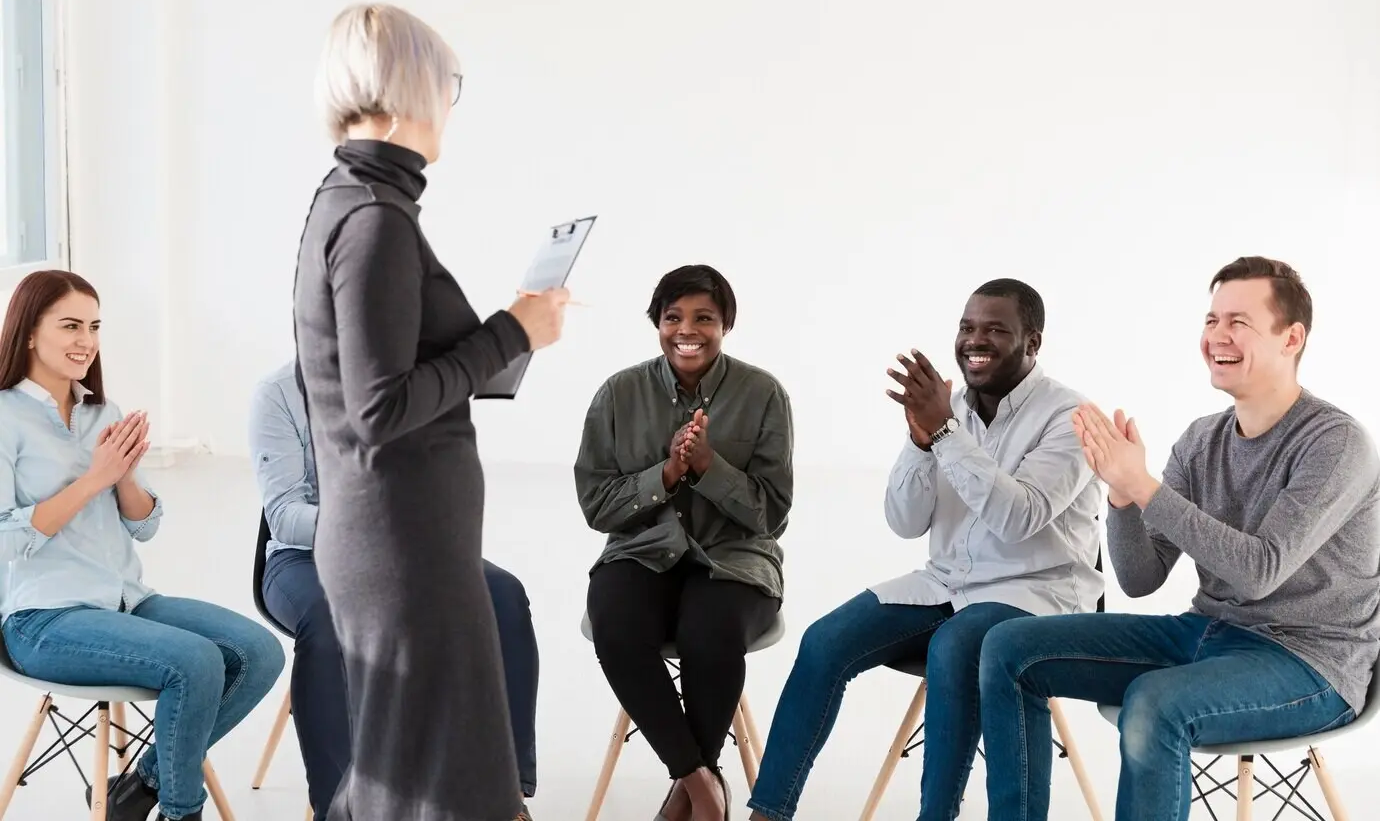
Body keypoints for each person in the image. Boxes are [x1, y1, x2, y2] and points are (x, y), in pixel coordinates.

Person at [291, 2, 569, 821]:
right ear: (413, 86)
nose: (451, 103)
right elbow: (379, 408)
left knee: (410, 774)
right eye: (451, 84)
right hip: (401, 547)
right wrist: (513, 332)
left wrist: (501, 337)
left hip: (401, 539)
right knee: (441, 784)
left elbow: (390, 378)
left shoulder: (355, 201)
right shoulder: (374, 220)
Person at [980, 256, 1380, 821]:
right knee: (1008, 646)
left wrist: (1144, 486)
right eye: (1212, 320)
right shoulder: (1201, 440)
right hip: (1207, 633)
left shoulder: (1336, 444)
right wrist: (1122, 496)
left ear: (1291, 339)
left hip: (1310, 662)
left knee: (1155, 703)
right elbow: (1141, 578)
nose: (1217, 335)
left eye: (1238, 322)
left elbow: (1260, 571)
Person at [744, 278, 1103, 821]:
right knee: (824, 642)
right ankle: (768, 813)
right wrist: (920, 440)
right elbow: (904, 521)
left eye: (995, 330)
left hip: (1038, 593)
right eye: (967, 327)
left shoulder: (1069, 417)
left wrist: (945, 434)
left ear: (1033, 342)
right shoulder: (946, 408)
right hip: (949, 583)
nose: (974, 340)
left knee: (954, 646)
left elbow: (1018, 518)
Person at [0, 270, 283, 821]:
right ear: (29, 332)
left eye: (94, 327)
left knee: (259, 652)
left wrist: (124, 474)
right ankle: (181, 812)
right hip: (43, 618)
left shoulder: (101, 412)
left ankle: (138, 787)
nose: (87, 340)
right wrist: (94, 479)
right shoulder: (5, 416)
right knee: (195, 662)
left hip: (126, 599)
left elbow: (145, 525)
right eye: (71, 326)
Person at [249, 360, 543, 820]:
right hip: (306, 558)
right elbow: (284, 514)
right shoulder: (278, 393)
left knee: (501, 596)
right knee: (330, 625)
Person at [574, 264, 793, 821]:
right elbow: (597, 505)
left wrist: (708, 466)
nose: (687, 331)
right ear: (657, 323)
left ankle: (687, 794)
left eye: (704, 318)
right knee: (617, 627)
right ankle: (700, 782)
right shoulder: (618, 393)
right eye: (673, 317)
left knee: (709, 633)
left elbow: (771, 514)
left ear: (726, 325)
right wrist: (668, 473)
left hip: (734, 557)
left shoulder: (763, 393)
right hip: (640, 549)